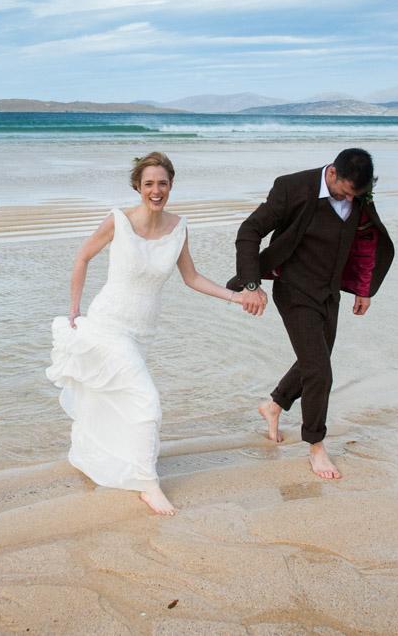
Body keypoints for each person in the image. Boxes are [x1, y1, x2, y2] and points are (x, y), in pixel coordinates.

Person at [48, 152, 257, 516]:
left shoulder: (179, 228)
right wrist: (74, 309)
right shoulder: (119, 220)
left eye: (162, 183)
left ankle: (107, 457)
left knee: (122, 401)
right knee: (146, 400)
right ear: (137, 187)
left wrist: (235, 297)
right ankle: (148, 484)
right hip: (108, 325)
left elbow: (191, 278)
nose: (156, 190)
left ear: (171, 185)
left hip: (141, 333)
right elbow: (82, 257)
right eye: (148, 184)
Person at [228, 148, 394, 480]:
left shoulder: (359, 195)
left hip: (328, 292)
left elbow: (364, 241)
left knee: (313, 361)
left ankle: (274, 405)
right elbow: (249, 231)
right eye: (346, 192)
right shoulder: (292, 187)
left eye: (355, 195)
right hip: (294, 288)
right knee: (320, 371)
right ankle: (316, 446)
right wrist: (250, 284)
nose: (350, 199)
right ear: (332, 173)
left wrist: (364, 289)